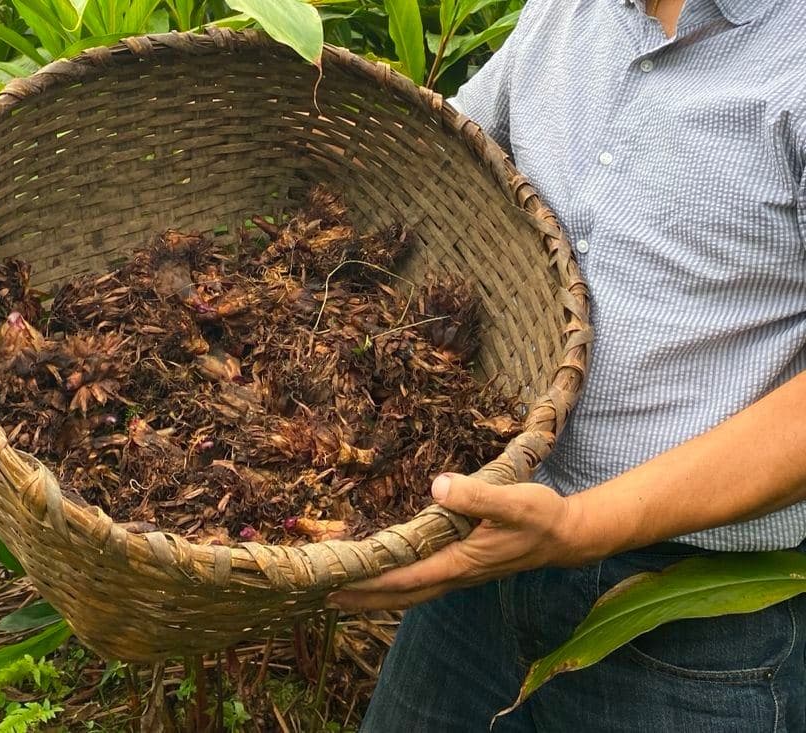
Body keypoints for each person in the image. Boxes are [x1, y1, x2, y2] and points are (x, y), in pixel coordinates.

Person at [327, 0, 806, 730]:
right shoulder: (569, 10)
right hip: (478, 562)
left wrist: (580, 524)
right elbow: (438, 160)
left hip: (690, 628)